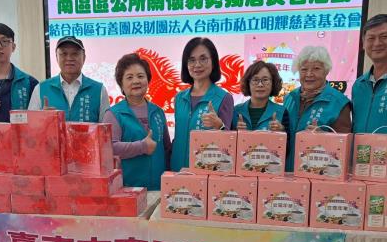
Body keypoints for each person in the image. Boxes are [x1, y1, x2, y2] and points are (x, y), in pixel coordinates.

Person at [103, 53, 171, 190]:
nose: (136, 81)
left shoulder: (158, 112)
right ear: (121, 84)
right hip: (128, 190)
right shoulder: (113, 114)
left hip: (159, 189)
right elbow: (109, 149)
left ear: (148, 80)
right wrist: (142, 147)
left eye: (140, 76)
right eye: (129, 77)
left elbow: (166, 149)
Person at [283, 45, 352, 171]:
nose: (309, 74)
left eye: (316, 68)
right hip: (286, 173)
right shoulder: (289, 98)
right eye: (304, 69)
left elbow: (345, 145)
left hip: (319, 173)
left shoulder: (339, 102)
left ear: (326, 71)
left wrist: (324, 137)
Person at [171, 37, 234, 171]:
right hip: (177, 170)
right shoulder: (179, 98)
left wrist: (219, 126)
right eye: (191, 60)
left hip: (206, 172)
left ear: (213, 62)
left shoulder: (224, 98)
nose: (197, 65)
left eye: (203, 59)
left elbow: (229, 144)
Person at [28, 36, 109, 122]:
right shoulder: (40, 89)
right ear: (56, 57)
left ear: (84, 57)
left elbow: (106, 127)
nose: (69, 58)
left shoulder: (99, 90)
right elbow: (31, 126)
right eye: (64, 54)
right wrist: (41, 119)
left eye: (75, 54)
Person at [232, 60, 289, 131]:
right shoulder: (235, 111)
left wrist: (282, 130)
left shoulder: (282, 112)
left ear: (273, 83)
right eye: (255, 80)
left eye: (265, 80)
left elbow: (289, 137)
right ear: (248, 83)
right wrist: (235, 132)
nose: (260, 84)